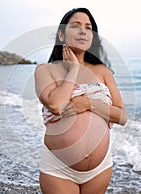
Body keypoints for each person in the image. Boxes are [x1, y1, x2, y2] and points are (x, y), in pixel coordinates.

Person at [34, 7, 127, 194]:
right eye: (76, 26)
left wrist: (89, 104)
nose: (83, 31)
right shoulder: (45, 70)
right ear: (61, 34)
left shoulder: (102, 71)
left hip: (99, 169)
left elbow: (122, 116)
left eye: (88, 27)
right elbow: (55, 105)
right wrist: (73, 70)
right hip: (59, 169)